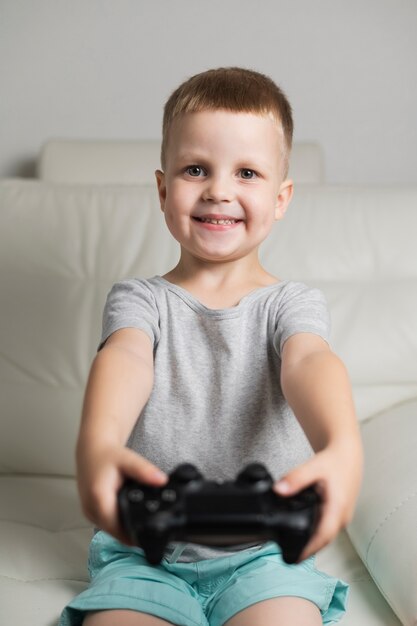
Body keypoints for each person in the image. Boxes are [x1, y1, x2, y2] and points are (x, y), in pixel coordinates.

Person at [59, 67, 363, 626]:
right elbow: (125, 357)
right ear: (162, 189)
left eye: (247, 172)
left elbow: (310, 360)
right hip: (144, 552)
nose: (219, 189)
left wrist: (341, 445)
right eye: (196, 168)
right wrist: (98, 442)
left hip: (265, 554)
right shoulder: (139, 300)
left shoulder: (291, 303)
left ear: (280, 198)